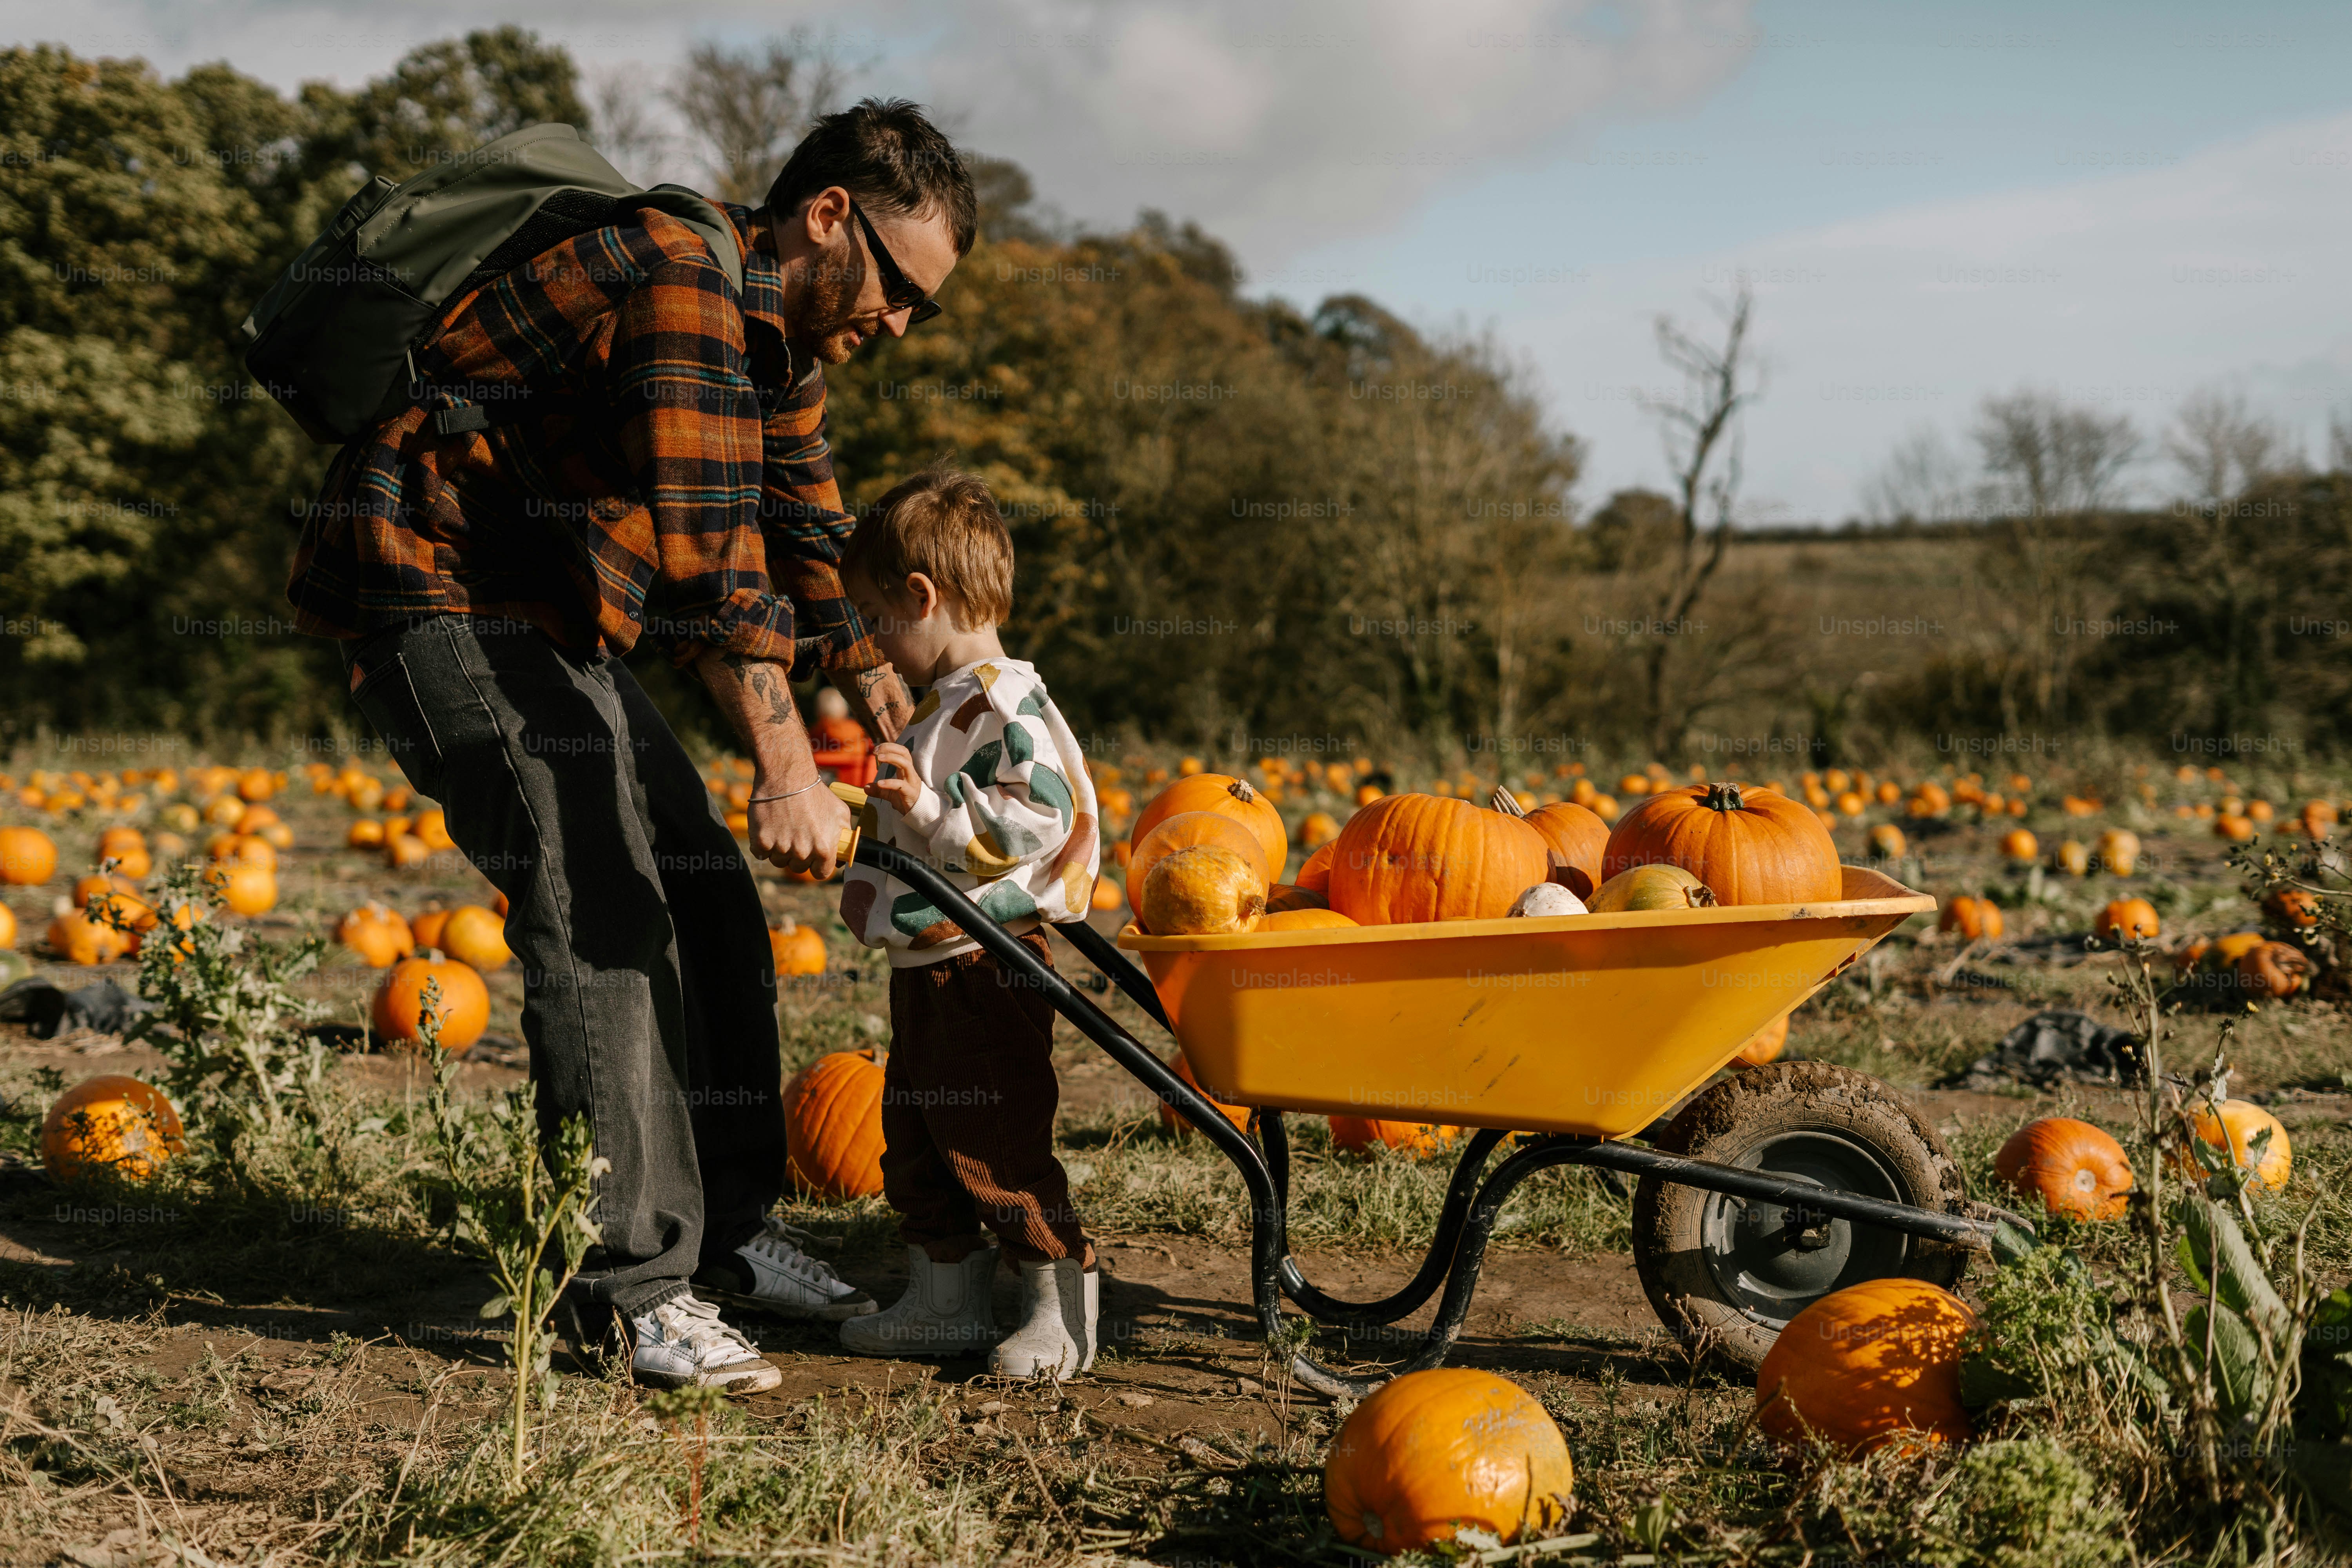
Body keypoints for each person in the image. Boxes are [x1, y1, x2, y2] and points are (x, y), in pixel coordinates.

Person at [285, 100, 977, 1391]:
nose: (899, 325)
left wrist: (905, 720)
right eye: (900, 292)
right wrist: (785, 768)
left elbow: (808, 541)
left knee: (701, 883)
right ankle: (627, 1289)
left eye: (920, 313)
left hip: (550, 609)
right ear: (830, 217)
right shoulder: (681, 279)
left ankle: (721, 1242)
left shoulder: (784, 351)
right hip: (436, 582)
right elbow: (719, 565)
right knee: (596, 894)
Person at [832, 468, 1103, 1377]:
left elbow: (1041, 815)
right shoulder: (949, 703)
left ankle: (1058, 1308)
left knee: (996, 1137)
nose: (875, 638)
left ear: (922, 596)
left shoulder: (1002, 701)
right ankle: (943, 1300)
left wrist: (933, 812)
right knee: (915, 1140)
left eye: (876, 617)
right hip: (933, 959)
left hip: (984, 963)